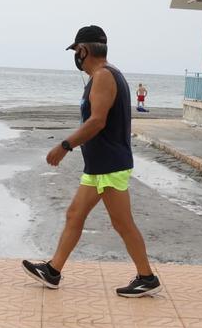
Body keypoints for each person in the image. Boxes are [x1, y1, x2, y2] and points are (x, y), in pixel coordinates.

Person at [23, 25, 161, 298]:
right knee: (75, 214)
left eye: (76, 51)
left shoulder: (104, 77)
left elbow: (97, 121)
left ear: (84, 50)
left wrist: (65, 146)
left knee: (122, 223)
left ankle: (147, 277)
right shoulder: (104, 76)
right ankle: (53, 270)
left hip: (110, 164)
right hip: (100, 165)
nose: (76, 57)